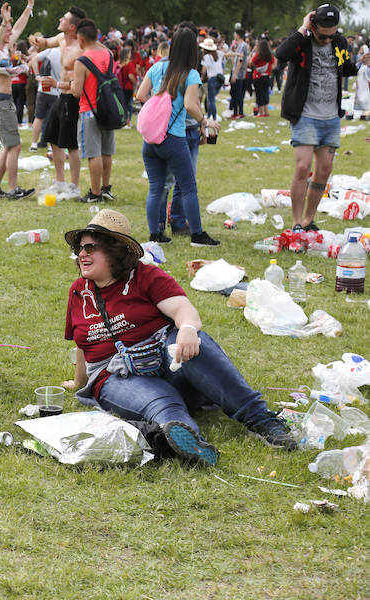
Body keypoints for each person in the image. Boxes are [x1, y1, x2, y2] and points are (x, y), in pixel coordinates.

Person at [62, 210, 297, 467]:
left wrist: (186, 329)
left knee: (193, 342)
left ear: (114, 250)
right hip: (116, 375)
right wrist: (78, 382)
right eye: (79, 248)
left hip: (166, 360)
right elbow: (82, 344)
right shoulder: (78, 291)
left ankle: (261, 419)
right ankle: (188, 439)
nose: (81, 254)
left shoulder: (146, 276)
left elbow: (184, 311)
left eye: (90, 247)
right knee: (161, 401)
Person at [276, 4, 369, 230]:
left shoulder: (339, 42)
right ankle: (297, 222)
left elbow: (344, 68)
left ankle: (309, 219)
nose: (327, 40)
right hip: (305, 114)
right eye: (323, 36)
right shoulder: (302, 42)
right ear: (313, 25)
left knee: (325, 169)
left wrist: (360, 63)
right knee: (302, 167)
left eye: (332, 35)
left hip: (330, 117)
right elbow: (281, 54)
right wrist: (302, 29)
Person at [136, 27, 220, 247]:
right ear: (193, 49)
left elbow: (140, 95)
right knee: (189, 187)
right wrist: (205, 121)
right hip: (173, 138)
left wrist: (157, 110)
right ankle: (197, 235)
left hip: (151, 140)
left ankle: (156, 234)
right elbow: (190, 104)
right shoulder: (190, 74)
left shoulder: (157, 67)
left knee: (156, 187)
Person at [0, 2, 36, 200]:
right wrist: (5, 22)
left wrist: (29, 7)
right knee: (15, 146)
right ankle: (13, 189)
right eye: (6, 29)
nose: (11, 32)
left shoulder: (4, 49)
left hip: (3, 101)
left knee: (7, 145)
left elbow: (20, 26)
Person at [33, 7, 88, 202]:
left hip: (71, 99)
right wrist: (38, 42)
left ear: (72, 26)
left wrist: (57, 84)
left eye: (64, 19)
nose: (60, 19)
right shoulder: (62, 39)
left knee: (70, 143)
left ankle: (73, 186)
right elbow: (46, 43)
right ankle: (60, 181)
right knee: (52, 138)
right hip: (59, 96)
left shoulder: (80, 49)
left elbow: (78, 85)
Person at [70, 18, 117, 203]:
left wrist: (70, 84)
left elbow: (77, 91)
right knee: (106, 151)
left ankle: (95, 193)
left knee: (93, 154)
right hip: (107, 108)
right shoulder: (108, 54)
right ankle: (105, 188)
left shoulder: (81, 61)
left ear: (81, 39)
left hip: (89, 110)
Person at [249, 39, 275, 117]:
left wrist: (251, 55)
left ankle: (261, 112)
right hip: (267, 76)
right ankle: (266, 112)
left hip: (258, 76)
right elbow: (274, 65)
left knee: (259, 94)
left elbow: (250, 63)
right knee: (265, 94)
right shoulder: (270, 55)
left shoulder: (258, 55)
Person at [200, 37, 223, 120]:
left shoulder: (206, 57)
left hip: (212, 79)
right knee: (211, 98)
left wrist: (202, 78)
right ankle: (209, 115)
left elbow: (203, 71)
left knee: (211, 99)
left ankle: (214, 117)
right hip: (220, 78)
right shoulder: (219, 54)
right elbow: (227, 54)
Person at [228, 29, 248, 119]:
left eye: (235, 33)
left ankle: (240, 112)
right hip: (235, 71)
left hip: (239, 74)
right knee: (234, 93)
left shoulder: (243, 46)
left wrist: (235, 74)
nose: (234, 35)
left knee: (238, 93)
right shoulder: (238, 45)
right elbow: (235, 61)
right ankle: (235, 112)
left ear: (238, 35)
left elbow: (240, 61)